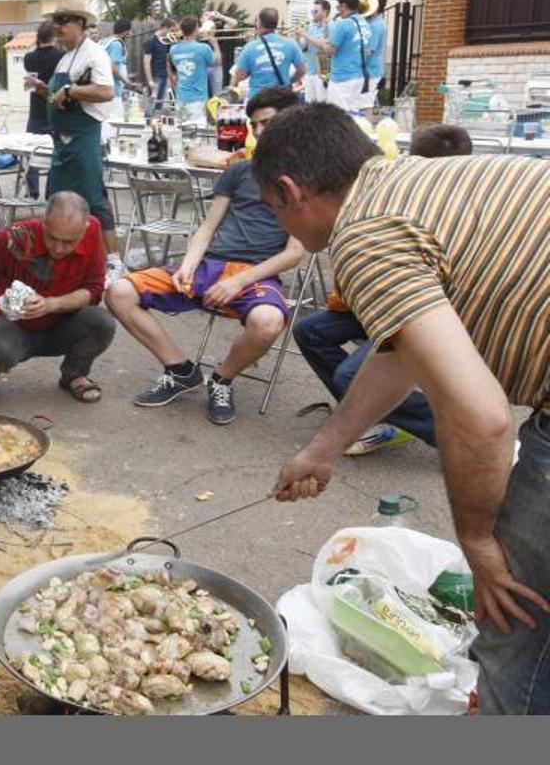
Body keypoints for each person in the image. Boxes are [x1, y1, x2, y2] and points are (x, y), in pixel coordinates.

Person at [253, 103, 550, 714]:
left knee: (518, 630)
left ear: (290, 191)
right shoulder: (411, 185)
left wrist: (477, 541)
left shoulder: (364, 236)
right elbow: (399, 355)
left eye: (271, 208)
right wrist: (322, 449)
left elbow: (481, 417)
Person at [105, 87, 306, 425]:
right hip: (210, 265)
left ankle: (222, 378)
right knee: (118, 292)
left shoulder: (305, 180)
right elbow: (207, 228)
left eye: (266, 124)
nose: (258, 132)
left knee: (269, 322)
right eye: (254, 125)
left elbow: (295, 253)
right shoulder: (240, 171)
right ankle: (181, 370)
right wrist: (188, 264)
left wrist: (239, 280)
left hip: (256, 274)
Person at [290, 123, 473, 457]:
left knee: (352, 374)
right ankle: (371, 414)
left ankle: (455, 433)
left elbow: (416, 292)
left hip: (431, 310)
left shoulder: (453, 207)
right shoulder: (394, 192)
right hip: (388, 300)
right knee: (309, 331)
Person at [0, 192, 115, 403]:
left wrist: (52, 304)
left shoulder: (93, 230)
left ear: (84, 230)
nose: (58, 249)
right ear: (43, 222)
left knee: (102, 322)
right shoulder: (17, 237)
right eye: (52, 237)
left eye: (69, 242)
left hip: (64, 324)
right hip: (14, 326)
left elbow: (95, 289)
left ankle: (75, 373)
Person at [24, 0, 119, 279]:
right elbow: (58, 98)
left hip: (82, 142)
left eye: (63, 21)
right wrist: (43, 89)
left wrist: (72, 90)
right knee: (55, 200)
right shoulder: (66, 57)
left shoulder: (94, 54)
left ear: (80, 23)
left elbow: (105, 92)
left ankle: (113, 264)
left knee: (94, 201)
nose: (58, 27)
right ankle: (53, 263)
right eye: (56, 21)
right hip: (61, 145)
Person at [301, 0, 372, 113]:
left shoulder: (343, 24)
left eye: (338, 5)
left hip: (342, 77)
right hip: (359, 76)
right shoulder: (364, 23)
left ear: (344, 6)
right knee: (353, 114)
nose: (337, 9)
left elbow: (330, 50)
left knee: (338, 116)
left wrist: (321, 42)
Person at [23, 21, 61, 200]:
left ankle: (32, 189)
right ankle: (50, 193)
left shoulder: (29, 58)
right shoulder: (61, 57)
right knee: (54, 153)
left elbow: (29, 83)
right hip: (54, 108)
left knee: (32, 150)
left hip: (35, 108)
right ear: (55, 36)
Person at [231, 8, 305, 101]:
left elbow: (239, 76)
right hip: (282, 96)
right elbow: (302, 70)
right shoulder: (290, 44)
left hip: (258, 98)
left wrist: (251, 71)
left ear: (259, 23)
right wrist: (289, 81)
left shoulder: (250, 47)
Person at [168, 16, 216, 125]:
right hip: (197, 96)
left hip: (180, 96)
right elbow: (216, 62)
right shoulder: (203, 48)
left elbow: (175, 66)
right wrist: (214, 43)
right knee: (197, 131)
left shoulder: (173, 49)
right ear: (195, 29)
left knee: (181, 129)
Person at [297, 0, 331, 103]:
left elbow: (323, 44)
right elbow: (303, 48)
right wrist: (298, 37)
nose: (312, 14)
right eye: (312, 11)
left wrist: (304, 34)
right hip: (310, 71)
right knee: (309, 106)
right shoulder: (311, 28)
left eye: (315, 11)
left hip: (322, 73)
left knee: (322, 106)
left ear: (325, 12)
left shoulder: (330, 26)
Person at [142, 19, 174, 111]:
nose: (171, 33)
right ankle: (149, 121)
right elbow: (146, 62)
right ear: (164, 28)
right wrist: (150, 80)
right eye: (170, 30)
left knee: (160, 105)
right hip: (155, 76)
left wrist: (170, 77)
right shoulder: (151, 42)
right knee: (152, 104)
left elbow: (167, 60)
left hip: (164, 76)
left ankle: (157, 122)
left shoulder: (166, 41)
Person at [101, 19, 133, 108]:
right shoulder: (116, 44)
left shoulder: (105, 41)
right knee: (116, 119)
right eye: (129, 31)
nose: (130, 34)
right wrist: (126, 81)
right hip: (113, 90)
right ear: (125, 31)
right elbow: (113, 68)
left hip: (103, 89)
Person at [365, 0, 389, 110]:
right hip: (369, 71)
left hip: (371, 71)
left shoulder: (376, 25)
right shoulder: (370, 23)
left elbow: (369, 51)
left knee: (366, 104)